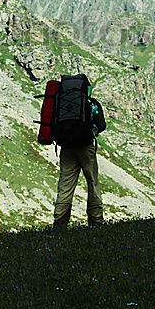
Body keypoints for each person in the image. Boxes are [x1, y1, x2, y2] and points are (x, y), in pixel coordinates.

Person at [52, 76, 107, 228]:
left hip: (66, 147)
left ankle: (60, 222)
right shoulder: (91, 103)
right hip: (85, 147)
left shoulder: (60, 102)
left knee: (65, 184)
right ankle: (96, 222)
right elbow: (101, 125)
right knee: (92, 182)